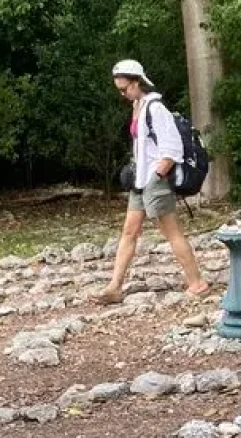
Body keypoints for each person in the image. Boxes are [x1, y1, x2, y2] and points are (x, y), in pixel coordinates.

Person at [93, 59, 209, 304]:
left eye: (124, 89)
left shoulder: (156, 108)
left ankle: (197, 283)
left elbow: (172, 149)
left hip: (155, 181)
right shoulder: (139, 105)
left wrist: (157, 176)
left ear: (137, 83)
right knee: (129, 231)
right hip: (141, 180)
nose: (122, 94)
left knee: (171, 233)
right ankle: (114, 286)